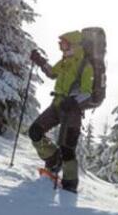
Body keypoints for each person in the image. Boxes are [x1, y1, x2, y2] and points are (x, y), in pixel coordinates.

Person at [28, 30, 94, 193]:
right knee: (35, 131)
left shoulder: (86, 66)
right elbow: (52, 73)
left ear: (74, 45)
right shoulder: (65, 62)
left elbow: (87, 92)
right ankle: (52, 159)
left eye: (64, 44)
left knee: (67, 149)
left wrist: (72, 101)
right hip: (56, 106)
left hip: (72, 112)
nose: (62, 48)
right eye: (60, 45)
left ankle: (70, 185)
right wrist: (41, 62)